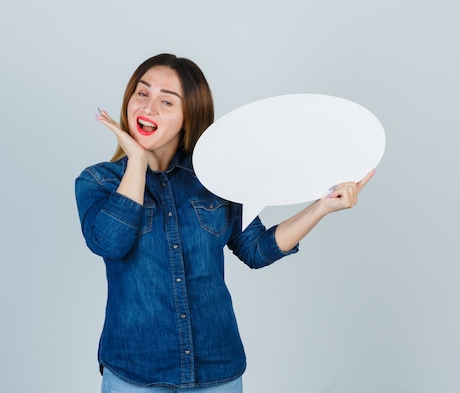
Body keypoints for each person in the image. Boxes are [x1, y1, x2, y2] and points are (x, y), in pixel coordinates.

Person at [75, 53, 373, 393]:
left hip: (216, 370)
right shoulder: (98, 181)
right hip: (135, 372)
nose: (148, 107)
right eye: (142, 93)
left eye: (166, 101)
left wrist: (321, 208)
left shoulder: (217, 179)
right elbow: (110, 243)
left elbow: (257, 250)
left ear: (189, 116)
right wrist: (138, 163)